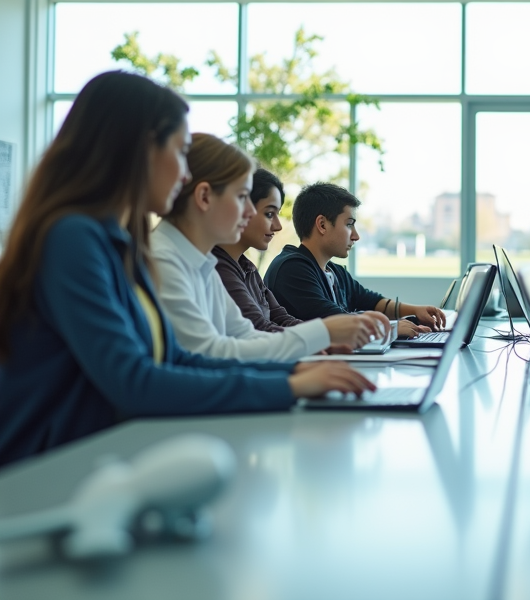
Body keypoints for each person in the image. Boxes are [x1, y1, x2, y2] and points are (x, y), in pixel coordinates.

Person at [0, 72, 373, 467]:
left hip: (93, 459)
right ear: (140, 150)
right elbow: (135, 381)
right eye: (179, 152)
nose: (184, 173)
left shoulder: (123, 243)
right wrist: (291, 386)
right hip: (40, 473)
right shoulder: (73, 238)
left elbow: (177, 358)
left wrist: (296, 375)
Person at [152, 134, 389, 361]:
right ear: (204, 197)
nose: (248, 212)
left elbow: (245, 335)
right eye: (242, 197)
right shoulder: (166, 260)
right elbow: (210, 352)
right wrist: (301, 369)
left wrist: (320, 340)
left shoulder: (204, 263)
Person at [265, 182, 445, 337]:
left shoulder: (335, 271)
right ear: (322, 225)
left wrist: (415, 311)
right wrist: (390, 328)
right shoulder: (292, 269)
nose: (356, 236)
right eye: (349, 224)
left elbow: (374, 303)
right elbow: (333, 320)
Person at [214, 168, 307, 332]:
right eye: (270, 214)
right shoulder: (218, 266)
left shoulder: (246, 267)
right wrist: (323, 335)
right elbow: (259, 328)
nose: (277, 226)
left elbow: (280, 317)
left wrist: (325, 333)